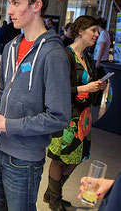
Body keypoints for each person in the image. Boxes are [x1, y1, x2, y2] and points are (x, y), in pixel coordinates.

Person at [0, 0, 72, 211]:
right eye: (9, 3)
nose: (9, 10)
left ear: (36, 5)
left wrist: (7, 125)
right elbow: (3, 92)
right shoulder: (11, 47)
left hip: (24, 160)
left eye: (16, 3)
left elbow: (59, 117)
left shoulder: (53, 54)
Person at [45, 16, 107, 211]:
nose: (97, 35)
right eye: (93, 31)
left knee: (76, 158)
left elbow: (85, 85)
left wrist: (96, 86)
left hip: (83, 118)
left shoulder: (86, 57)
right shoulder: (65, 55)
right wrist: (85, 87)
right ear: (80, 31)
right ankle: (55, 199)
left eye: (97, 31)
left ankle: (51, 194)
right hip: (68, 117)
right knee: (60, 158)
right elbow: (57, 89)